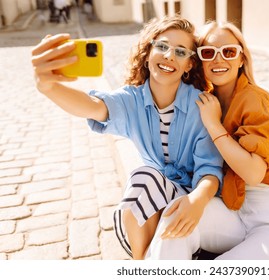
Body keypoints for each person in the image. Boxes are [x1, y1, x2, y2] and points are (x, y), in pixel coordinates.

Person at [31, 16, 223, 260]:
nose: (169, 56)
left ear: (189, 64)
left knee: (145, 180)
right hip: (153, 198)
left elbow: (210, 169)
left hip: (199, 202)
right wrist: (48, 87)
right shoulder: (132, 100)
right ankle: (140, 262)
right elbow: (93, 106)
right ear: (148, 52)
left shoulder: (201, 105)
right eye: (162, 46)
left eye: (181, 51)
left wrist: (196, 201)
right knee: (144, 179)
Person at [148, 21, 269, 260]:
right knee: (176, 217)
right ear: (199, 61)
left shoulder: (256, 99)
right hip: (232, 210)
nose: (218, 59)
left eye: (229, 52)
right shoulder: (205, 101)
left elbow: (254, 174)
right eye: (209, 52)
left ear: (241, 58)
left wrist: (214, 125)